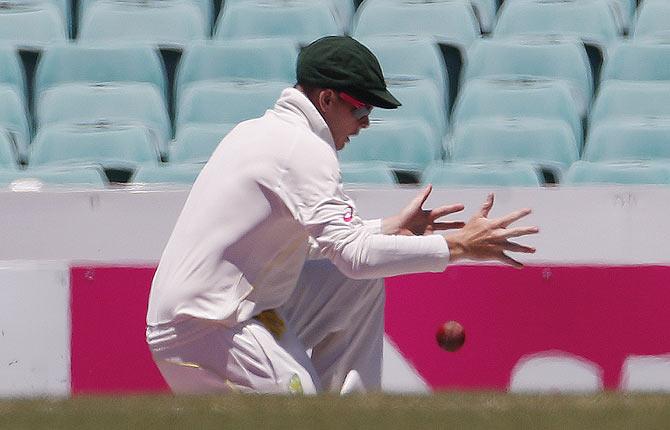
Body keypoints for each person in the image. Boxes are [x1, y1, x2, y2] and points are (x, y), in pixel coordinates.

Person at [146, 36, 538, 395]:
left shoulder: (268, 133)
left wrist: (389, 229)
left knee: (357, 288)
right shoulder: (301, 150)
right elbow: (354, 257)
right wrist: (459, 246)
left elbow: (322, 246)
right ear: (327, 99)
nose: (366, 122)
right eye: (362, 107)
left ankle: (352, 413)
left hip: (228, 311)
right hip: (204, 326)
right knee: (301, 405)